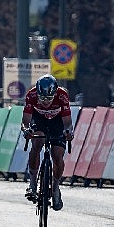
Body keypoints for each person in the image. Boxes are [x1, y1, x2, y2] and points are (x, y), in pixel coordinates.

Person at [20, 74, 73, 211]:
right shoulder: (31, 95)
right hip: (39, 120)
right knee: (37, 144)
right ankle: (32, 184)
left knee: (57, 155)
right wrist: (26, 131)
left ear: (55, 93)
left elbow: (67, 123)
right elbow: (25, 121)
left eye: (49, 98)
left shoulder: (62, 95)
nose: (45, 102)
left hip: (57, 122)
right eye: (42, 98)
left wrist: (68, 132)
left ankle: (55, 189)